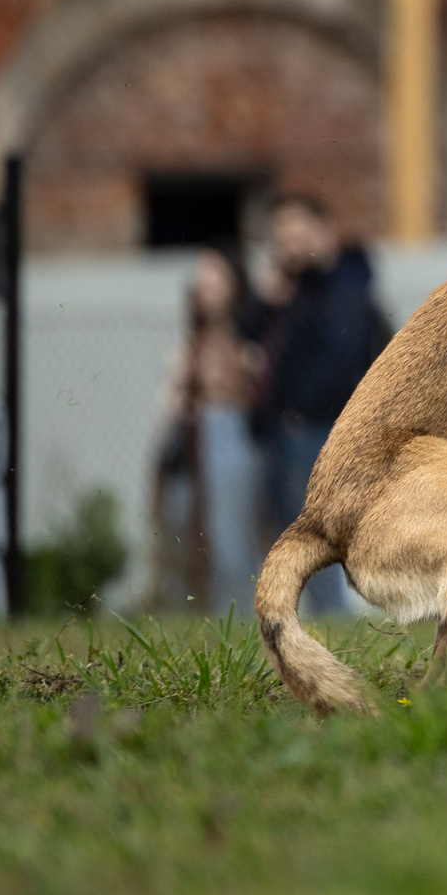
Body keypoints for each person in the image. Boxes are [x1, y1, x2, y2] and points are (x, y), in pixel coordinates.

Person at [256, 192, 388, 616]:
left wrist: (302, 408)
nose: (289, 246)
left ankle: (334, 617)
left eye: (297, 235)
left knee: (314, 530)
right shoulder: (298, 289)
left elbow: (341, 357)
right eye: (281, 237)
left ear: (322, 232)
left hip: (317, 425)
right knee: (298, 523)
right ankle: (326, 614)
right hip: (295, 423)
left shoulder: (343, 285)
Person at [151, 244, 267, 615]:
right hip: (188, 444)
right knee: (182, 532)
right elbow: (171, 399)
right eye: (201, 276)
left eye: (214, 276)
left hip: (231, 435)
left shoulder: (249, 334)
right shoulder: (191, 337)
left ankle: (237, 619)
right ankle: (193, 619)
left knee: (230, 539)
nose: (204, 284)